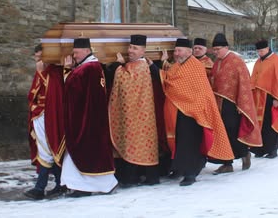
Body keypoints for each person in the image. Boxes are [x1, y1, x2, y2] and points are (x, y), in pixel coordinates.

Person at [160, 38, 234, 186]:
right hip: (180, 111)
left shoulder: (195, 66)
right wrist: (158, 66)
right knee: (181, 142)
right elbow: (169, 79)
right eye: (175, 51)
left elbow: (185, 87)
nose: (176, 53)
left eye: (179, 50)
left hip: (194, 112)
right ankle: (181, 169)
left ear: (189, 52)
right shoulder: (176, 66)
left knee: (191, 143)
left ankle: (191, 173)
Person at [60, 38, 117, 197]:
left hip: (85, 122)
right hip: (92, 120)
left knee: (84, 154)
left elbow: (72, 90)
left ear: (86, 50)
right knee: (88, 154)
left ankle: (85, 188)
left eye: (76, 52)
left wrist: (66, 70)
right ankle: (85, 186)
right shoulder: (93, 67)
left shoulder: (86, 69)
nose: (74, 55)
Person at [107, 34, 162, 187]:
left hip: (139, 116)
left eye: (135, 48)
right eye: (130, 47)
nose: (130, 50)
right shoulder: (135, 64)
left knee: (137, 143)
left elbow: (126, 83)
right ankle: (143, 176)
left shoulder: (140, 65)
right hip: (138, 114)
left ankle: (132, 178)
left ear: (143, 50)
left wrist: (118, 66)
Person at [208, 33, 261, 174]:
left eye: (218, 49)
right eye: (214, 49)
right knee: (222, 133)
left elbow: (244, 83)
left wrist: (242, 104)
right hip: (219, 102)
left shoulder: (236, 61)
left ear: (226, 47)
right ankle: (227, 163)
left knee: (233, 131)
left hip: (233, 103)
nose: (216, 52)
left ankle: (244, 153)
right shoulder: (217, 62)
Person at [24, 44, 66, 200]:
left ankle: (40, 188)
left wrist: (41, 72)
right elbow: (33, 94)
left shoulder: (54, 71)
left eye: (41, 57)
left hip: (51, 117)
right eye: (36, 57)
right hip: (39, 116)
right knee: (47, 150)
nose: (38, 60)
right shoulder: (42, 70)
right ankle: (59, 184)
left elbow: (52, 93)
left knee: (49, 150)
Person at [249, 39, 278, 158]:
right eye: (258, 51)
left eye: (262, 50)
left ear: (267, 48)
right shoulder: (258, 62)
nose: (260, 53)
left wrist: (277, 98)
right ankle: (259, 149)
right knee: (260, 125)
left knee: (271, 124)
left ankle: (272, 149)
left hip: (271, 97)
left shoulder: (276, 61)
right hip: (259, 98)